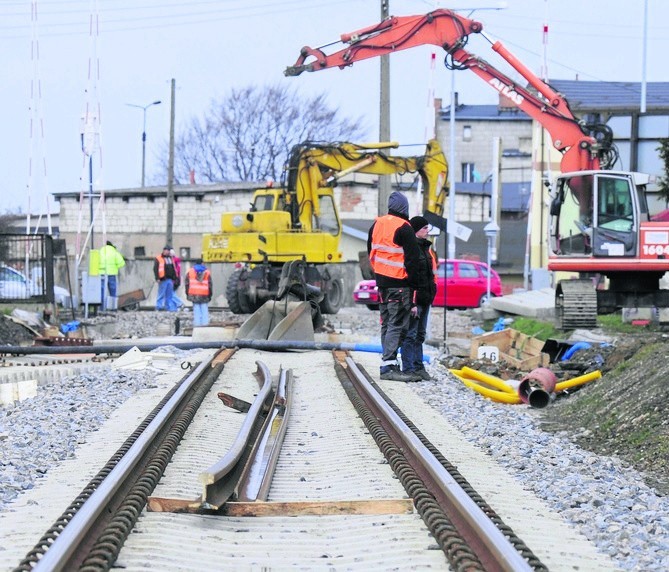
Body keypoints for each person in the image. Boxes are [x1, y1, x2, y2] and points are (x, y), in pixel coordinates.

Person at [367, 191, 421, 382]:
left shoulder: (377, 224)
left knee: (387, 323)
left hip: (382, 283)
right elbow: (414, 260)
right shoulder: (404, 228)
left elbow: (370, 251)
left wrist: (378, 274)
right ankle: (389, 366)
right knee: (398, 325)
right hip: (399, 284)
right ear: (404, 208)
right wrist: (414, 288)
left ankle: (388, 364)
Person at [401, 216, 437, 381]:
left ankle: (418, 367)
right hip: (416, 299)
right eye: (424, 228)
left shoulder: (426, 249)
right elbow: (409, 277)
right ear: (416, 230)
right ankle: (408, 368)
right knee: (411, 334)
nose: (427, 231)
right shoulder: (412, 248)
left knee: (420, 334)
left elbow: (429, 275)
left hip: (425, 298)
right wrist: (412, 302)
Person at [98, 241, 125, 310]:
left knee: (102, 291)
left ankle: (101, 308)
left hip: (102, 273)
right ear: (111, 245)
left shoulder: (100, 251)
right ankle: (113, 308)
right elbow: (122, 263)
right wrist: (115, 266)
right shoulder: (114, 252)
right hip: (112, 274)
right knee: (113, 291)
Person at [185, 259, 213, 326]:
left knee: (196, 309)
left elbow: (187, 284)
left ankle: (197, 325)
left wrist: (187, 293)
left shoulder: (190, 271)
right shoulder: (207, 272)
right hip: (204, 293)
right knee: (204, 309)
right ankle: (205, 324)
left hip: (194, 293)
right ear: (202, 263)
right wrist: (210, 294)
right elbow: (210, 285)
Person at [154, 245, 178, 311]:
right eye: (168, 250)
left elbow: (173, 268)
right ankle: (158, 306)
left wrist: (174, 277)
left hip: (170, 279)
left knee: (169, 295)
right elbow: (155, 269)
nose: (168, 252)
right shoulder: (159, 258)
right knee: (161, 294)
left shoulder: (170, 258)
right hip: (162, 279)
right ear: (164, 250)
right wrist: (157, 278)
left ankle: (168, 307)